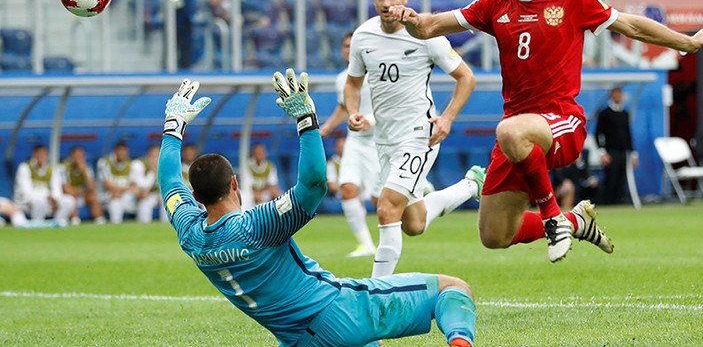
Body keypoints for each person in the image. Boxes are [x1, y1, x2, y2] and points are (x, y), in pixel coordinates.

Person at [387, 0, 703, 262]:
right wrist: (412, 20)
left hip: (562, 122)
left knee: (509, 129)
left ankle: (553, 217)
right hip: (518, 134)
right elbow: (429, 26)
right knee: (495, 235)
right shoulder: (494, 5)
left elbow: (631, 25)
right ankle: (575, 220)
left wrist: (687, 42)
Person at [157, 75, 477, 347]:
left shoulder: (191, 234)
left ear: (195, 195)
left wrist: (174, 127)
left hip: (297, 340)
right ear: (235, 184)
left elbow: (170, 182)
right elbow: (313, 186)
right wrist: (307, 121)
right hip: (338, 313)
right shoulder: (257, 226)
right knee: (454, 289)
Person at [345, 0, 485, 277]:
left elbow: (466, 77)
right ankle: (470, 185)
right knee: (413, 223)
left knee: (386, 207)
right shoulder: (363, 36)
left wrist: (447, 118)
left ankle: (376, 293)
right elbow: (354, 83)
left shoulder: (426, 34)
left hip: (419, 134)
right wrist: (353, 111)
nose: (386, 3)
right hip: (384, 139)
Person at [321, 31, 380, 258]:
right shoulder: (341, 79)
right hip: (355, 139)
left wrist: (370, 120)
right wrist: (326, 128)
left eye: (351, 45)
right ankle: (366, 244)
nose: (347, 50)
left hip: (378, 139)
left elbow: (388, 104)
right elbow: (344, 107)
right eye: (345, 46)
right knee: (347, 188)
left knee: (378, 199)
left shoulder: (377, 74)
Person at [595, 87, 638, 205]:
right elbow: (598, 134)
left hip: (623, 152)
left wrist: (633, 153)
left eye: (620, 93)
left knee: (621, 178)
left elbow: (628, 133)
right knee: (611, 178)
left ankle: (620, 202)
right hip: (611, 151)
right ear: (611, 95)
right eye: (616, 93)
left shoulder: (625, 113)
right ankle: (608, 203)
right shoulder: (605, 113)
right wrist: (602, 152)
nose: (618, 96)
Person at [13, 144, 76, 226]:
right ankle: (37, 223)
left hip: (48, 201)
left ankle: (57, 222)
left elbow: (56, 189)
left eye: (43, 154)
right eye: (39, 154)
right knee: (39, 201)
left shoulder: (51, 169)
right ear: (34, 154)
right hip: (25, 202)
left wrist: (55, 199)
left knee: (69, 200)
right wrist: (47, 196)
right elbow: (26, 192)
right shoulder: (25, 167)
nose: (41, 156)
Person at [61, 145, 105, 225]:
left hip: (84, 195)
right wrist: (81, 191)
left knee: (93, 197)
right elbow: (67, 190)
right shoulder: (64, 169)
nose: (79, 159)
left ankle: (100, 220)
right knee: (71, 198)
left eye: (81, 156)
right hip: (71, 196)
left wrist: (85, 172)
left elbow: (92, 188)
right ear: (71, 157)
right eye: (77, 156)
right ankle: (75, 220)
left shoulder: (87, 168)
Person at [97, 141, 138, 224]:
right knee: (115, 202)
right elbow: (109, 186)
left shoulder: (131, 164)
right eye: (121, 151)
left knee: (144, 200)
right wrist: (126, 189)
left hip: (125, 196)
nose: (123, 153)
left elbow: (134, 186)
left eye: (125, 151)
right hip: (107, 196)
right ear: (115, 151)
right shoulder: (104, 163)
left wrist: (121, 191)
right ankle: (116, 227)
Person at [241, 143, 282, 208]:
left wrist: (274, 193)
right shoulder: (248, 165)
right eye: (258, 152)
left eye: (262, 152)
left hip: (264, 193)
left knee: (279, 195)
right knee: (246, 196)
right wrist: (257, 194)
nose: (260, 155)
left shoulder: (270, 166)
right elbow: (248, 186)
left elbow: (273, 185)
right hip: (250, 194)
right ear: (253, 154)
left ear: (265, 154)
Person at [131, 145, 165, 223]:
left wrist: (157, 173)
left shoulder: (164, 166)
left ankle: (167, 226)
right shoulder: (138, 164)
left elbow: (166, 188)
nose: (155, 159)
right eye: (153, 156)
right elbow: (142, 189)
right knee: (145, 201)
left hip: (156, 195)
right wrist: (152, 171)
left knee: (166, 199)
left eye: (158, 156)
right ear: (148, 156)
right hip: (137, 196)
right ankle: (143, 226)